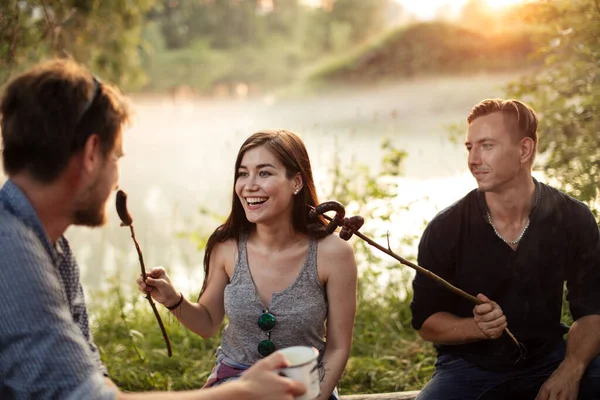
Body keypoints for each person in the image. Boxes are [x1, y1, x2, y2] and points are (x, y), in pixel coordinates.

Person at [0, 59, 306, 400]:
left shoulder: (52, 250)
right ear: (90, 154)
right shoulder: (11, 251)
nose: (117, 176)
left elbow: (89, 376)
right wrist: (242, 392)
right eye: (116, 157)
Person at [137, 129, 358, 400]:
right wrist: (172, 299)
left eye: (264, 173)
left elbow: (337, 348)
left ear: (296, 182)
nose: (249, 185)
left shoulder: (334, 253)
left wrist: (314, 396)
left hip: (305, 388)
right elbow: (208, 323)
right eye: (243, 173)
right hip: (236, 386)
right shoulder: (226, 246)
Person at [410, 98, 600, 399]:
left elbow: (592, 310)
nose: (473, 159)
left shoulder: (572, 217)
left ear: (524, 150)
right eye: (469, 147)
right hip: (468, 369)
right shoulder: (445, 229)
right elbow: (425, 321)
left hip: (550, 359)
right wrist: (476, 327)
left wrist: (570, 369)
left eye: (486, 146)